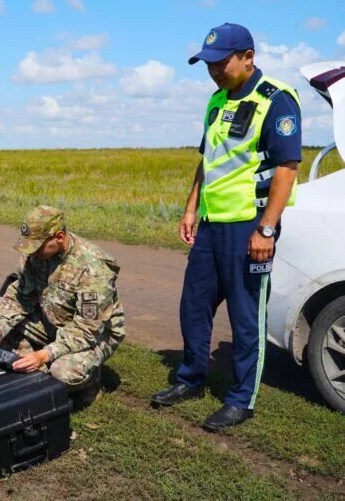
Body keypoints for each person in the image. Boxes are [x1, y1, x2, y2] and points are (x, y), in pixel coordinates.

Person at [151, 23, 302, 431]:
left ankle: (241, 399)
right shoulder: (216, 101)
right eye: (208, 64)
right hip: (212, 224)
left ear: (248, 57)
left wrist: (266, 229)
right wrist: (190, 209)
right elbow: (207, 161)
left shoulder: (276, 99)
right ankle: (191, 378)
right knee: (193, 306)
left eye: (221, 62)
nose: (214, 70)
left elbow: (288, 168)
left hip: (249, 226)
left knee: (245, 314)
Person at [0, 205, 125, 403]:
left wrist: (45, 354)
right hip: (53, 322)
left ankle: (90, 382)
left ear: (59, 237)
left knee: (62, 372)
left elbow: (88, 330)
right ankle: (32, 368)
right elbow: (21, 296)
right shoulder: (35, 254)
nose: (34, 252)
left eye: (38, 246)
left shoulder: (92, 267)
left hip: (96, 335)